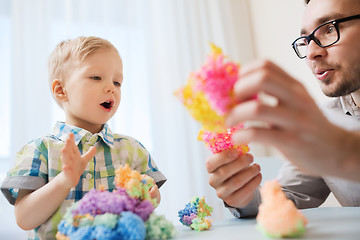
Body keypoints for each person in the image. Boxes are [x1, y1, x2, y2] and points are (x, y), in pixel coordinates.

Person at [206, 0, 360, 218]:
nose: (311, 53)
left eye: (330, 28)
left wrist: (346, 151)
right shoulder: (324, 122)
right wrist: (243, 196)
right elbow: (285, 197)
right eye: (306, 40)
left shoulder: (326, 132)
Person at [0, 36, 167, 239]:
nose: (111, 88)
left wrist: (151, 197)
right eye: (96, 77)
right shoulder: (40, 150)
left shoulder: (132, 149)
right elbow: (24, 219)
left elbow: (149, 201)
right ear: (61, 90)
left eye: (117, 82)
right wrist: (64, 181)